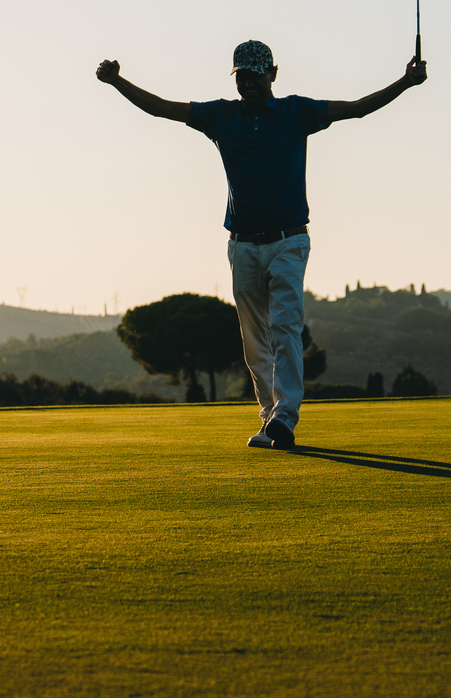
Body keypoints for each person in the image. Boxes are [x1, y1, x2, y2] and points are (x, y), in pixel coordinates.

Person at [96, 40, 426, 449]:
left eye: (256, 74)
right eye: (243, 76)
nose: (249, 83)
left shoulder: (296, 111)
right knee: (254, 338)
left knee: (285, 327)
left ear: (273, 73)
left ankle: (285, 417)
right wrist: (117, 83)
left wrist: (406, 83)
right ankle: (270, 416)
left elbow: (357, 107)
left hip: (289, 241)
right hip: (243, 246)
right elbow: (163, 108)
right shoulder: (220, 116)